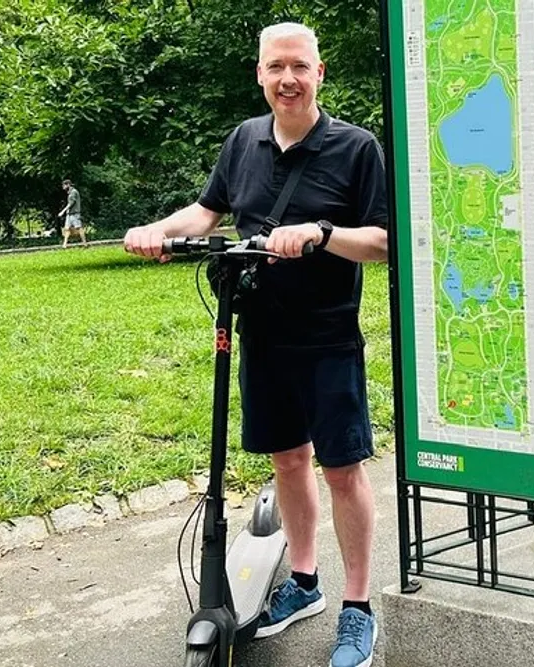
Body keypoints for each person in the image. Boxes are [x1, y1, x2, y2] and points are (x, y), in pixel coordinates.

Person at [123, 22, 387, 667]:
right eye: (276, 67)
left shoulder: (356, 148)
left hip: (327, 338)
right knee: (288, 463)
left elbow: (382, 242)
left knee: (342, 469)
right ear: (260, 74)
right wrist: (156, 230)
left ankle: (358, 609)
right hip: (259, 332)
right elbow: (207, 212)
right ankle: (303, 583)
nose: (287, 79)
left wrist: (322, 232)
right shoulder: (243, 140)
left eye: (299, 66)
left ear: (320, 72)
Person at [59, 180, 86, 247]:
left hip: (74, 213)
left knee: (79, 228)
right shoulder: (70, 192)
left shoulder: (73, 192)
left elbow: (71, 203)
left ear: (68, 184)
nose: (63, 187)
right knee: (67, 229)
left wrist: (63, 211)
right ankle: (64, 244)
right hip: (70, 214)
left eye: (64, 185)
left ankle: (85, 243)